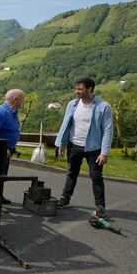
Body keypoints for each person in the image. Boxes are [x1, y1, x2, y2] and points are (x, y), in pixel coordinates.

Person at [54, 77, 113, 218]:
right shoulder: (72, 104)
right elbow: (65, 125)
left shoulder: (103, 107)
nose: (77, 91)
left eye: (80, 89)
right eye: (76, 89)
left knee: (96, 177)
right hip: (74, 145)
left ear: (90, 89)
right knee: (71, 173)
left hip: (94, 148)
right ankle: (65, 199)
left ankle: (100, 207)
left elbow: (108, 130)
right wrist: (61, 144)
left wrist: (104, 153)